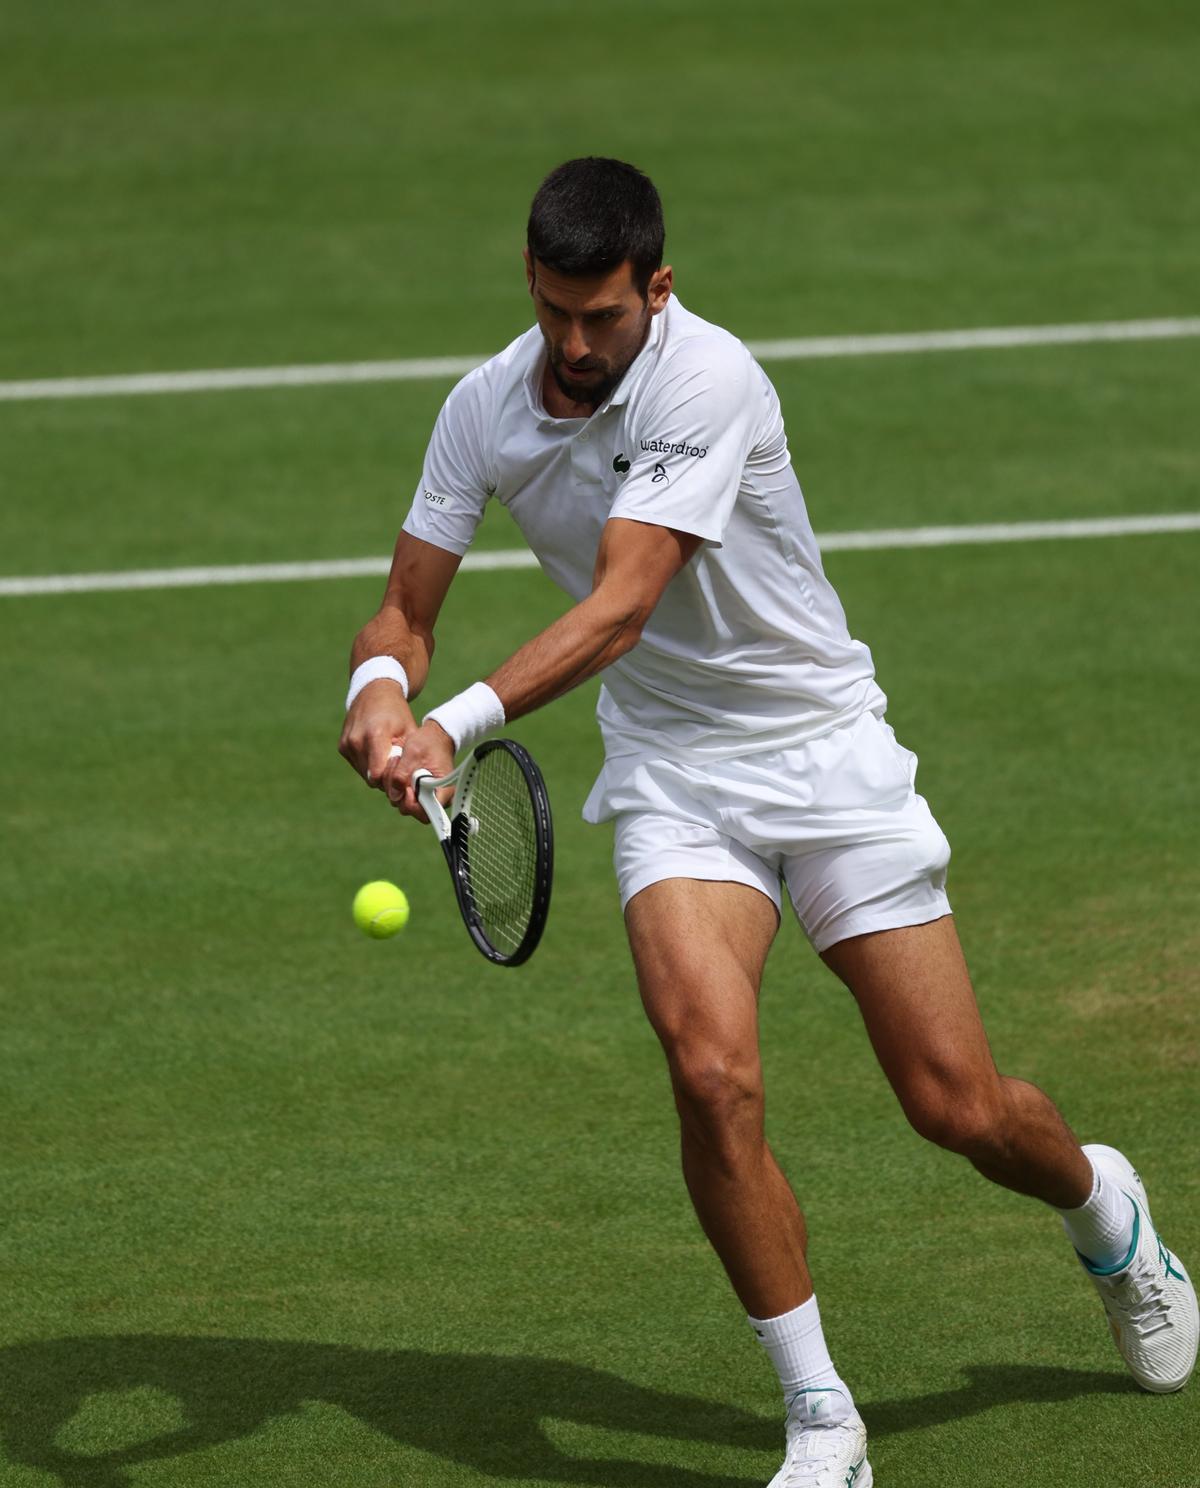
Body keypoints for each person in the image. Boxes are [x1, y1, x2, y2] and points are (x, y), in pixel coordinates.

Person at [339, 157, 1197, 1486]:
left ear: (658, 290)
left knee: (956, 1105)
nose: (574, 346)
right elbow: (406, 604)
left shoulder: (708, 378)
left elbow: (624, 604)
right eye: (554, 311)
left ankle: (1105, 1208)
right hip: (677, 775)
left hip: (824, 757)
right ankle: (821, 1420)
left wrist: (451, 725)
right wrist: (379, 685)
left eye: (603, 319)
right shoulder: (483, 407)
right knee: (709, 1071)